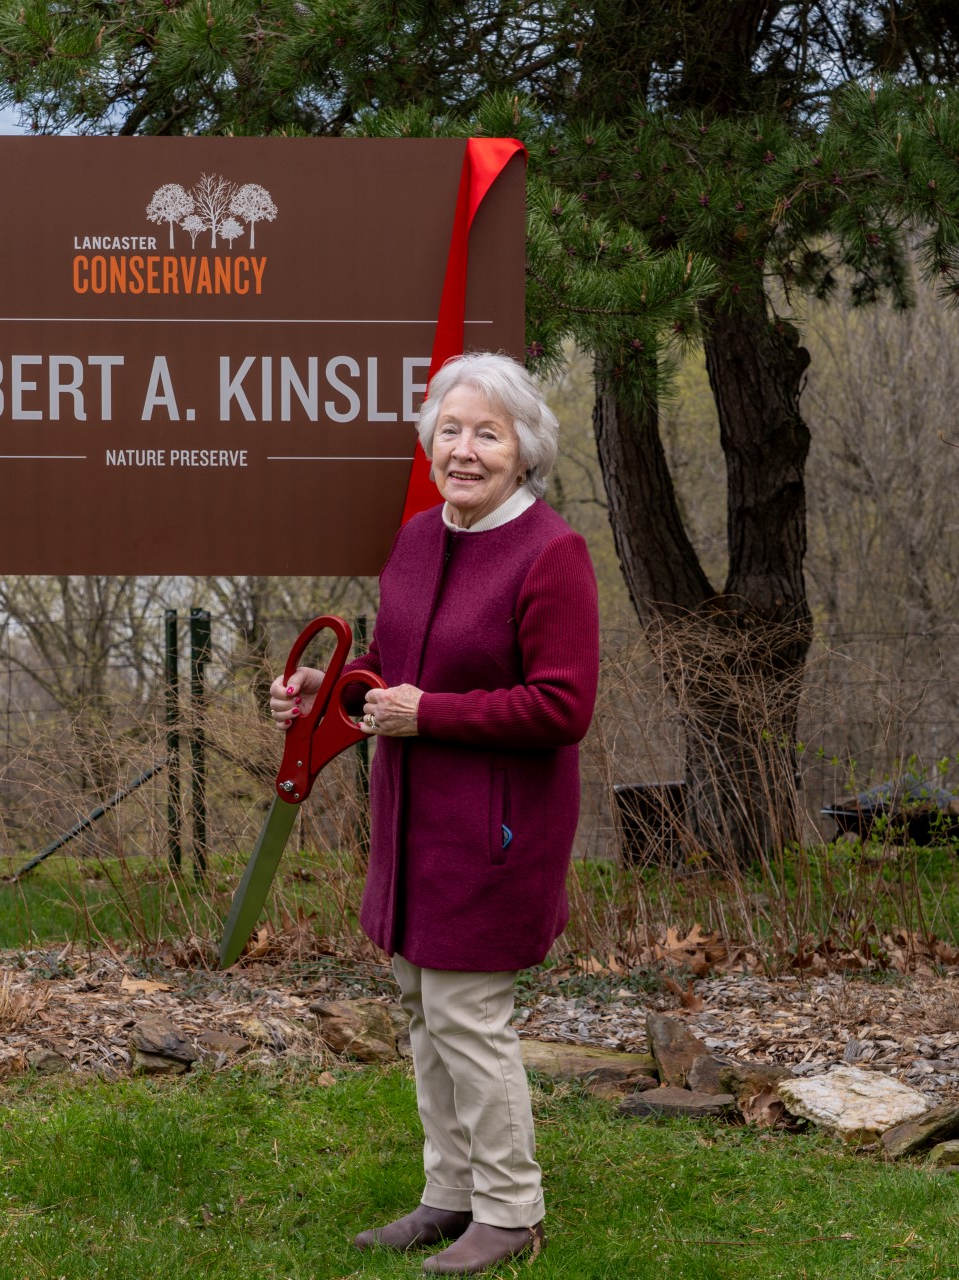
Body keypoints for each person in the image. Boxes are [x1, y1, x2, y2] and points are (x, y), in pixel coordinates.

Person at [270, 352, 599, 1275]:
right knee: (423, 1009)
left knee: (468, 1016)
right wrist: (316, 687)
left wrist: (432, 714)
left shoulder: (552, 555)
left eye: (487, 434)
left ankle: (512, 1211)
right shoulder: (418, 538)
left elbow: (563, 705)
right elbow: (386, 662)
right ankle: (449, 1194)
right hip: (412, 828)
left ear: (524, 450)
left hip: (494, 834)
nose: (464, 450)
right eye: (450, 430)